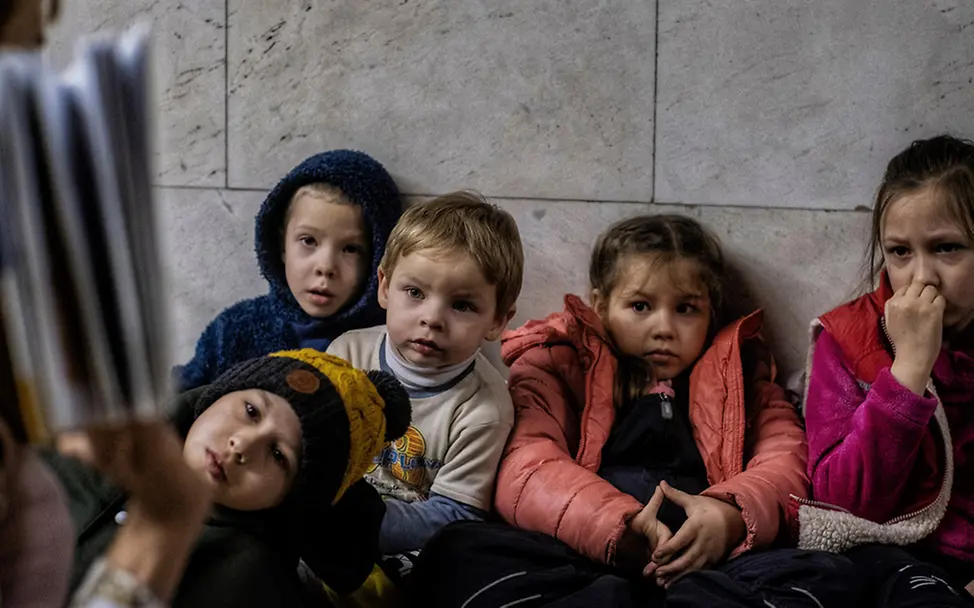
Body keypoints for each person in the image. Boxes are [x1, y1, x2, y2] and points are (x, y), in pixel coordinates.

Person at [412, 214, 852, 607]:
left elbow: (786, 460)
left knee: (828, 576)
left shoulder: (743, 374)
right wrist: (616, 527)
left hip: (706, 561)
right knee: (457, 552)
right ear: (601, 306)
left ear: (711, 314)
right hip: (586, 550)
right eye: (640, 306)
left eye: (685, 309)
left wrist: (730, 517)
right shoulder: (557, 361)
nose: (663, 328)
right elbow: (525, 465)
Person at [46, 349, 411, 607]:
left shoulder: (250, 581)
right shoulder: (94, 439)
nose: (242, 445)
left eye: (278, 455)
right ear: (217, 395)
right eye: (251, 411)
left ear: (289, 497)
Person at [799, 135, 974, 607]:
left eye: (947, 249)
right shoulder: (849, 341)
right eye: (900, 252)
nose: (922, 278)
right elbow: (843, 501)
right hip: (894, 555)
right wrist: (909, 371)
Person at [176, 150, 403, 391]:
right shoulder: (233, 332)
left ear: (377, 258)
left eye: (350, 249)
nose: (325, 267)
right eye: (308, 241)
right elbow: (179, 402)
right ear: (281, 245)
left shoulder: (387, 347)